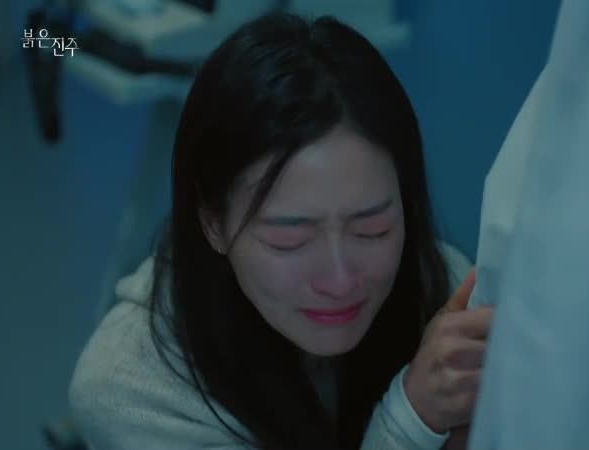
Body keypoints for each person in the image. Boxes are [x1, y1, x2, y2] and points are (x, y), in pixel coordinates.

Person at [69, 12, 492, 450]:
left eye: (372, 229)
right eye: (289, 240)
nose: (340, 282)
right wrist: (413, 423)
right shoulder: (129, 388)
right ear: (212, 222)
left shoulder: (439, 288)